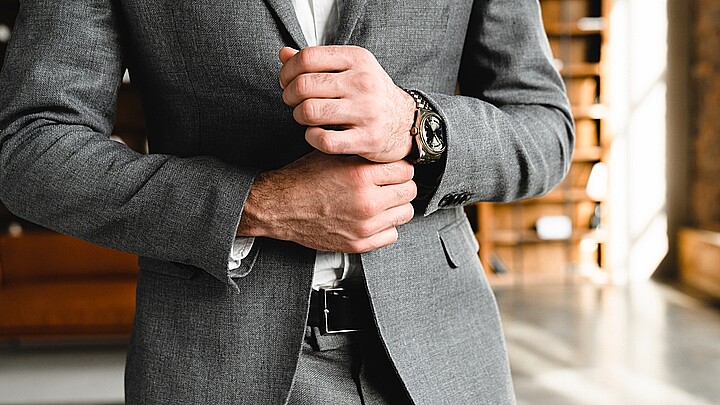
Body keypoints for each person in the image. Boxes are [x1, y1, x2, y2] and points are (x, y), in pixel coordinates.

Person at [0, 0, 573, 403]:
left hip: (444, 361)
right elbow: (28, 145)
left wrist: (414, 123)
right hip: (213, 364)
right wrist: (258, 205)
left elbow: (546, 130)